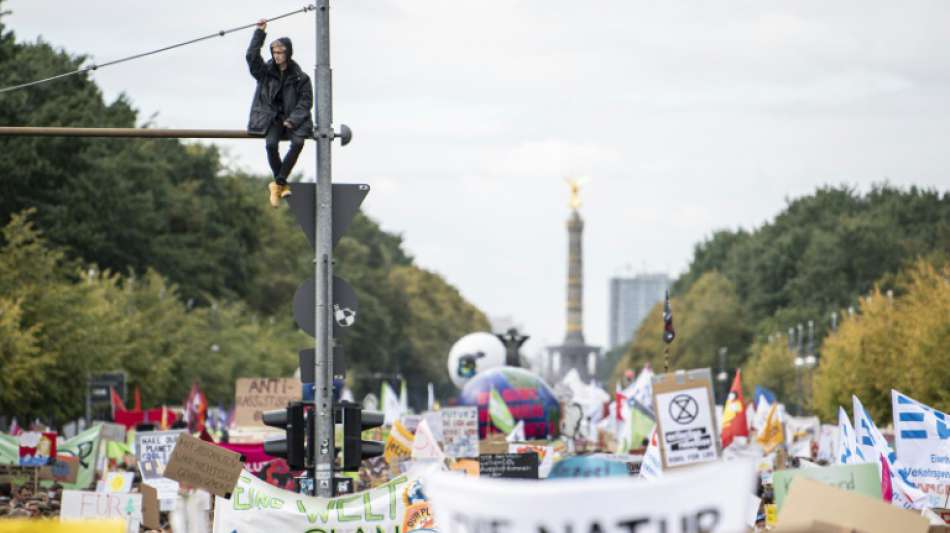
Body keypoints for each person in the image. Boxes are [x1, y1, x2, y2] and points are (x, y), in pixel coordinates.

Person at [246, 18, 314, 207]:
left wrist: (293, 120)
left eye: (280, 52)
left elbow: (306, 101)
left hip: (294, 120)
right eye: (274, 52)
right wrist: (259, 33)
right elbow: (251, 57)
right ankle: (281, 184)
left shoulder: (301, 77)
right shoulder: (265, 72)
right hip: (272, 118)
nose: (277, 56)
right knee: (270, 145)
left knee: (298, 142)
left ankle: (278, 183)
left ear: (288, 53)